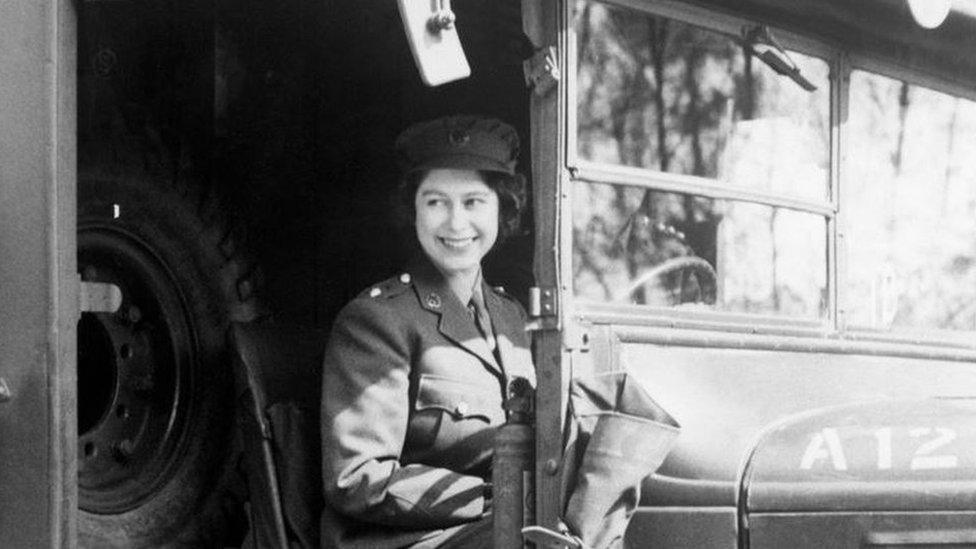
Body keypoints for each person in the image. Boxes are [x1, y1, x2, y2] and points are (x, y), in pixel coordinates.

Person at [320, 115, 536, 549]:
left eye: (474, 202)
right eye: (436, 202)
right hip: (410, 540)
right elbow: (358, 476)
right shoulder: (377, 320)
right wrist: (497, 499)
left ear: (502, 208)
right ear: (413, 209)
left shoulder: (513, 319)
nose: (456, 224)